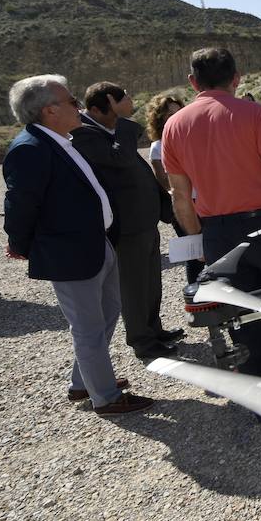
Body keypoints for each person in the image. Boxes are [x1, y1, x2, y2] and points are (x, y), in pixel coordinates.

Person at [163, 48, 261, 400]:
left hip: (218, 233)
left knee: (243, 323)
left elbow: (179, 195)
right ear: (236, 79)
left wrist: (197, 240)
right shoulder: (252, 112)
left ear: (193, 82)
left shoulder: (174, 125)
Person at [2, 74, 153, 415]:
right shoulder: (30, 149)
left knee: (107, 313)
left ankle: (83, 381)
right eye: (72, 101)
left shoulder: (62, 140)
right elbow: (20, 204)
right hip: (70, 252)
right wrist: (19, 243)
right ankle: (105, 397)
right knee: (87, 326)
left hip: (97, 244)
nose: (79, 107)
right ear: (49, 110)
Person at [71, 82, 183, 359]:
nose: (127, 104)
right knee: (133, 287)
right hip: (126, 227)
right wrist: (122, 121)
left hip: (143, 222)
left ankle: (154, 329)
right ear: (98, 109)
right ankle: (141, 340)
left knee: (150, 282)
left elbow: (136, 170)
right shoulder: (84, 134)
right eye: (119, 102)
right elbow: (119, 161)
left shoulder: (107, 130)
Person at [146, 94, 201, 285]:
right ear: (159, 118)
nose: (176, 116)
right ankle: (196, 302)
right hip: (184, 205)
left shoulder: (194, 137)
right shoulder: (157, 146)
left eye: (179, 111)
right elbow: (164, 181)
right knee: (195, 254)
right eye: (170, 114)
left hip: (207, 201)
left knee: (214, 252)